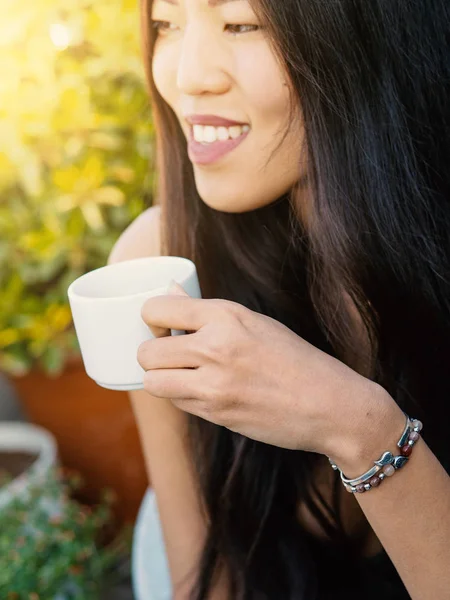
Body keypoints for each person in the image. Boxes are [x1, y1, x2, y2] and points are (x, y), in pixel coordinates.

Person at [108, 0, 450, 598]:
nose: (187, 76)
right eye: (167, 24)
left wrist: (360, 429)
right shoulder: (158, 269)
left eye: (242, 23)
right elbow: (205, 582)